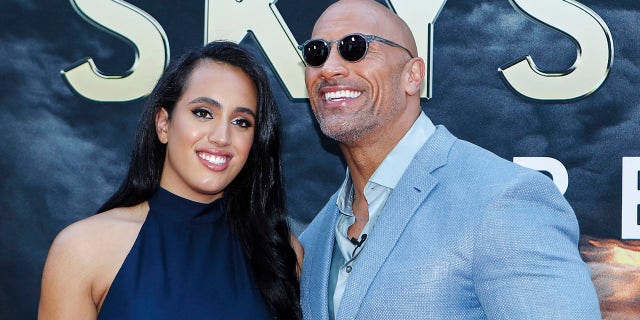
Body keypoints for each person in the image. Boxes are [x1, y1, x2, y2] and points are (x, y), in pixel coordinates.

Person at [297, 0, 601, 319]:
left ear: (413, 75)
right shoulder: (316, 236)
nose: (329, 68)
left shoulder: (504, 200)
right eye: (316, 53)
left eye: (354, 48)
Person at [39, 41, 302, 320]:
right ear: (164, 124)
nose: (222, 137)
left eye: (241, 122)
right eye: (203, 113)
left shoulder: (281, 253)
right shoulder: (83, 248)